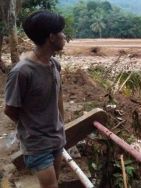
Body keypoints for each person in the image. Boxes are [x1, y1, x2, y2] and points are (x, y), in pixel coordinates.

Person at [4, 10, 66, 188]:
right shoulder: (22, 72)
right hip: (37, 143)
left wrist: (60, 124)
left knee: (55, 182)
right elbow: (10, 109)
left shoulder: (55, 65)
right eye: (61, 32)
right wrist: (33, 127)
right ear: (52, 37)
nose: (64, 36)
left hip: (57, 137)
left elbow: (58, 96)